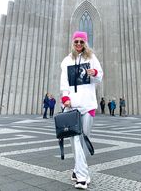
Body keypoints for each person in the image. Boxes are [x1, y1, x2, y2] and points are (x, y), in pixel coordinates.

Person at [60, 31, 103, 190]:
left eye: (81, 42)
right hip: (72, 107)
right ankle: (82, 175)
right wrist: (65, 98)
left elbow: (100, 76)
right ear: (73, 42)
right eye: (76, 41)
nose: (78, 44)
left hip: (88, 105)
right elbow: (64, 83)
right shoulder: (66, 61)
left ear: (85, 43)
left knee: (83, 140)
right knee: (75, 140)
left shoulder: (91, 58)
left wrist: (95, 73)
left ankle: (79, 173)